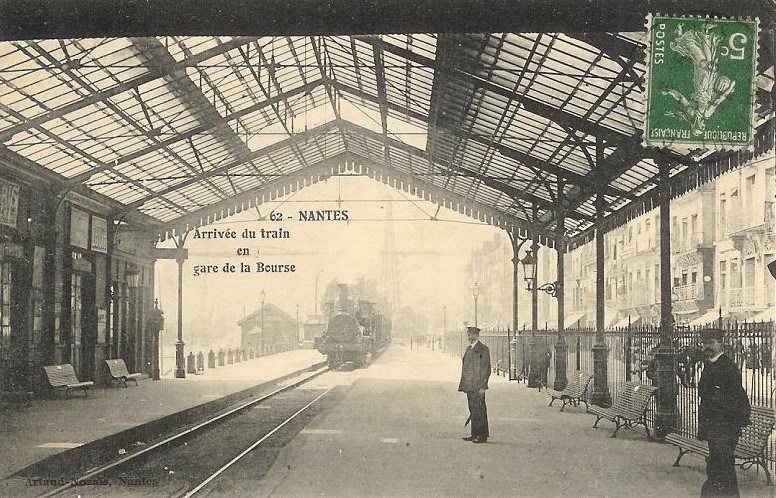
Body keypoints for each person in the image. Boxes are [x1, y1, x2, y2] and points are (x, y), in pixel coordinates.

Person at [697, 328, 751, 497]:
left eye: (711, 342)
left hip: (725, 427)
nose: (707, 346)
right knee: (719, 467)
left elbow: (730, 398)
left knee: (720, 468)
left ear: (721, 343)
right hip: (714, 426)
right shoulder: (710, 364)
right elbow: (704, 393)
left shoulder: (728, 367)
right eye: (705, 343)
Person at [458, 326, 491, 443]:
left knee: (480, 410)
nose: (469, 337)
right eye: (468, 335)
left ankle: (482, 436)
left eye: (471, 335)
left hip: (478, 385)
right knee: (472, 409)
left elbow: (486, 369)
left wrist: (483, 386)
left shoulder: (483, 349)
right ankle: (474, 433)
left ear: (477, 335)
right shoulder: (469, 349)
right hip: (470, 385)